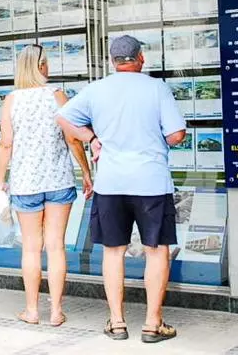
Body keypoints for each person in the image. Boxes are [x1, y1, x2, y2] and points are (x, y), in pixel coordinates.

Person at [56, 35, 186, 344]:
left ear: (112, 61)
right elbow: (177, 135)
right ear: (140, 58)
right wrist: (154, 139)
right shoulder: (157, 88)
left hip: (110, 182)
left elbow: (63, 118)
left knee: (113, 251)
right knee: (157, 250)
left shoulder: (97, 89)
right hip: (151, 182)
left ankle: (116, 323)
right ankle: (152, 324)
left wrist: (92, 139)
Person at [0, 44, 92, 327]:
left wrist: (1, 181)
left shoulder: (11, 100)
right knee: (56, 246)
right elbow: (72, 138)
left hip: (25, 184)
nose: (48, 67)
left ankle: (32, 311)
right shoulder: (57, 95)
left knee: (30, 248)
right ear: (40, 67)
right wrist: (86, 172)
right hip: (59, 181)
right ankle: (56, 311)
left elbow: (5, 144)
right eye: (46, 63)